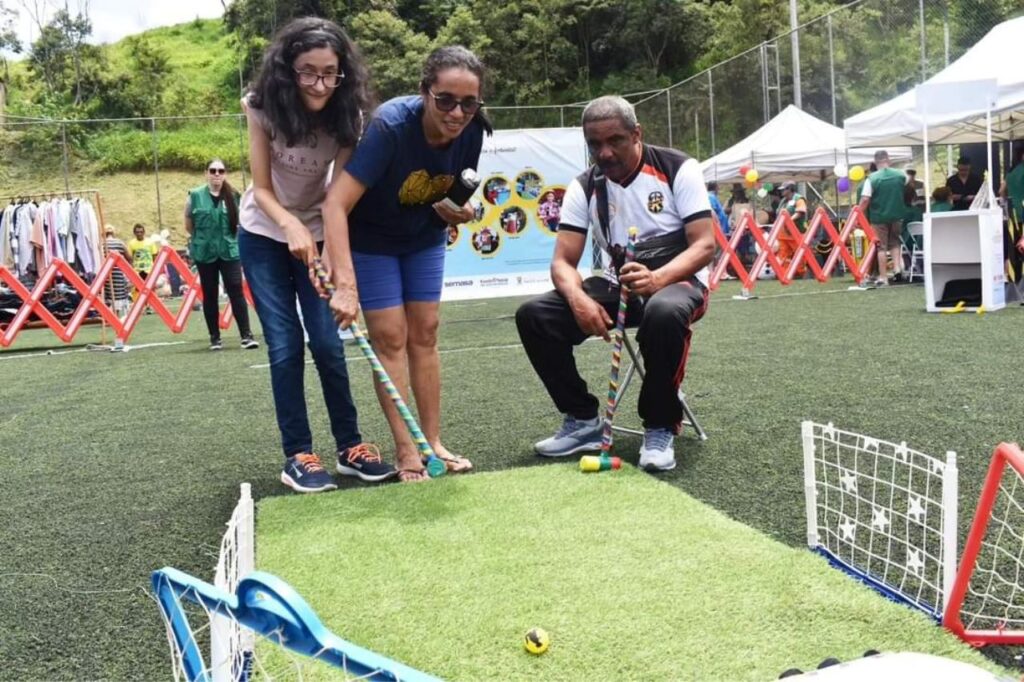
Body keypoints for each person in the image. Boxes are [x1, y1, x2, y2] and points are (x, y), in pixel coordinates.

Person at [515, 95, 715, 472]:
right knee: (535, 315)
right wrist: (576, 297)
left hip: (679, 281)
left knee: (663, 311)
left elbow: (704, 244)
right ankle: (582, 419)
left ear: (636, 134)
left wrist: (657, 278)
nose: (604, 153)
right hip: (616, 284)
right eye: (594, 144)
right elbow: (563, 260)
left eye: (615, 141)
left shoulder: (677, 168)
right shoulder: (585, 186)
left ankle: (659, 425)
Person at [238, 17, 391, 494]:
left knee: (327, 342)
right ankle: (298, 453)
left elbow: (334, 197)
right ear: (289, 69)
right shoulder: (261, 106)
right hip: (263, 233)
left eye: (330, 72)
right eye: (308, 72)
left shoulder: (349, 116)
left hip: (317, 233)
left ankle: (350, 447)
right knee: (284, 344)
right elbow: (262, 190)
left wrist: (317, 238)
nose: (321, 83)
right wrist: (289, 226)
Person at [324, 46, 490, 483]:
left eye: (469, 103)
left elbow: (450, 196)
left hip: (423, 239)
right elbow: (336, 205)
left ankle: (432, 443)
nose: (457, 113)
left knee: (426, 332)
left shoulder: (473, 132)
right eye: (446, 100)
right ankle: (406, 451)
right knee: (391, 338)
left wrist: (460, 212)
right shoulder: (391, 127)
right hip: (372, 241)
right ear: (424, 92)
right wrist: (345, 283)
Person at [185, 159, 258, 351]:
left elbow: (241, 223)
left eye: (220, 170)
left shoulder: (234, 196)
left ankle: (246, 335)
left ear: (225, 173)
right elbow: (189, 223)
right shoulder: (195, 196)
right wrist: (200, 239)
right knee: (209, 294)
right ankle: (214, 338)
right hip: (205, 251)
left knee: (235, 289)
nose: (217, 174)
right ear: (206, 172)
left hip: (229, 250)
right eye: (213, 170)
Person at [857, 150, 906, 287]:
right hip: (897, 214)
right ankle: (897, 269)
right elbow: (908, 190)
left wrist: (858, 215)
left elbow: (865, 199)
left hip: (879, 217)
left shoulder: (871, 179)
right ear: (888, 160)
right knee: (895, 243)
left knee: (881, 247)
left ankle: (883, 277)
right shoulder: (901, 175)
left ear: (875, 162)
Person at [778, 181, 808, 278]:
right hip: (783, 233)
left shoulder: (799, 199)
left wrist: (789, 220)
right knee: (783, 253)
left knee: (799, 253)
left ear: (790, 189)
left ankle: (800, 273)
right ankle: (785, 273)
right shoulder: (783, 201)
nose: (782, 191)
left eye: (784, 189)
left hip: (796, 232)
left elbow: (801, 211)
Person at [126, 223, 158, 301]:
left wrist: (155, 269)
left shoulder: (150, 243)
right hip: (137, 270)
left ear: (144, 232)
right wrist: (131, 269)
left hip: (149, 269)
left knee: (150, 287)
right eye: (137, 232)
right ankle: (138, 304)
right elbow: (130, 258)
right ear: (134, 233)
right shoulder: (131, 243)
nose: (139, 234)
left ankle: (150, 305)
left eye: (141, 232)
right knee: (137, 288)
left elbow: (154, 256)